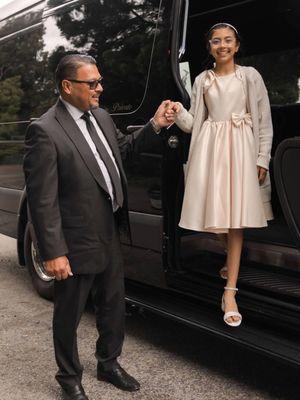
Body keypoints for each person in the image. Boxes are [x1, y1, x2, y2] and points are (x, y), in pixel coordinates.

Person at [23, 54, 170, 400]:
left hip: (109, 230)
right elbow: (42, 200)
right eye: (93, 83)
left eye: (99, 81)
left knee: (113, 303)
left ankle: (108, 363)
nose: (100, 88)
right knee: (69, 313)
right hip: (74, 241)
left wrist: (155, 125)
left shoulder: (101, 117)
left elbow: (124, 151)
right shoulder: (45, 130)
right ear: (67, 86)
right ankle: (69, 377)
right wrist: (53, 252)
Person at [165, 23, 273, 327]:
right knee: (210, 216)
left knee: (235, 220)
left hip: (241, 149)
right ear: (210, 47)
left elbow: (264, 121)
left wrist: (262, 157)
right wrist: (178, 112)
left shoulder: (250, 76)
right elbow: (194, 122)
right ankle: (232, 254)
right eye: (216, 41)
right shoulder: (203, 80)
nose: (222, 45)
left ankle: (229, 292)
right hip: (210, 153)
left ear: (237, 46)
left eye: (228, 41)